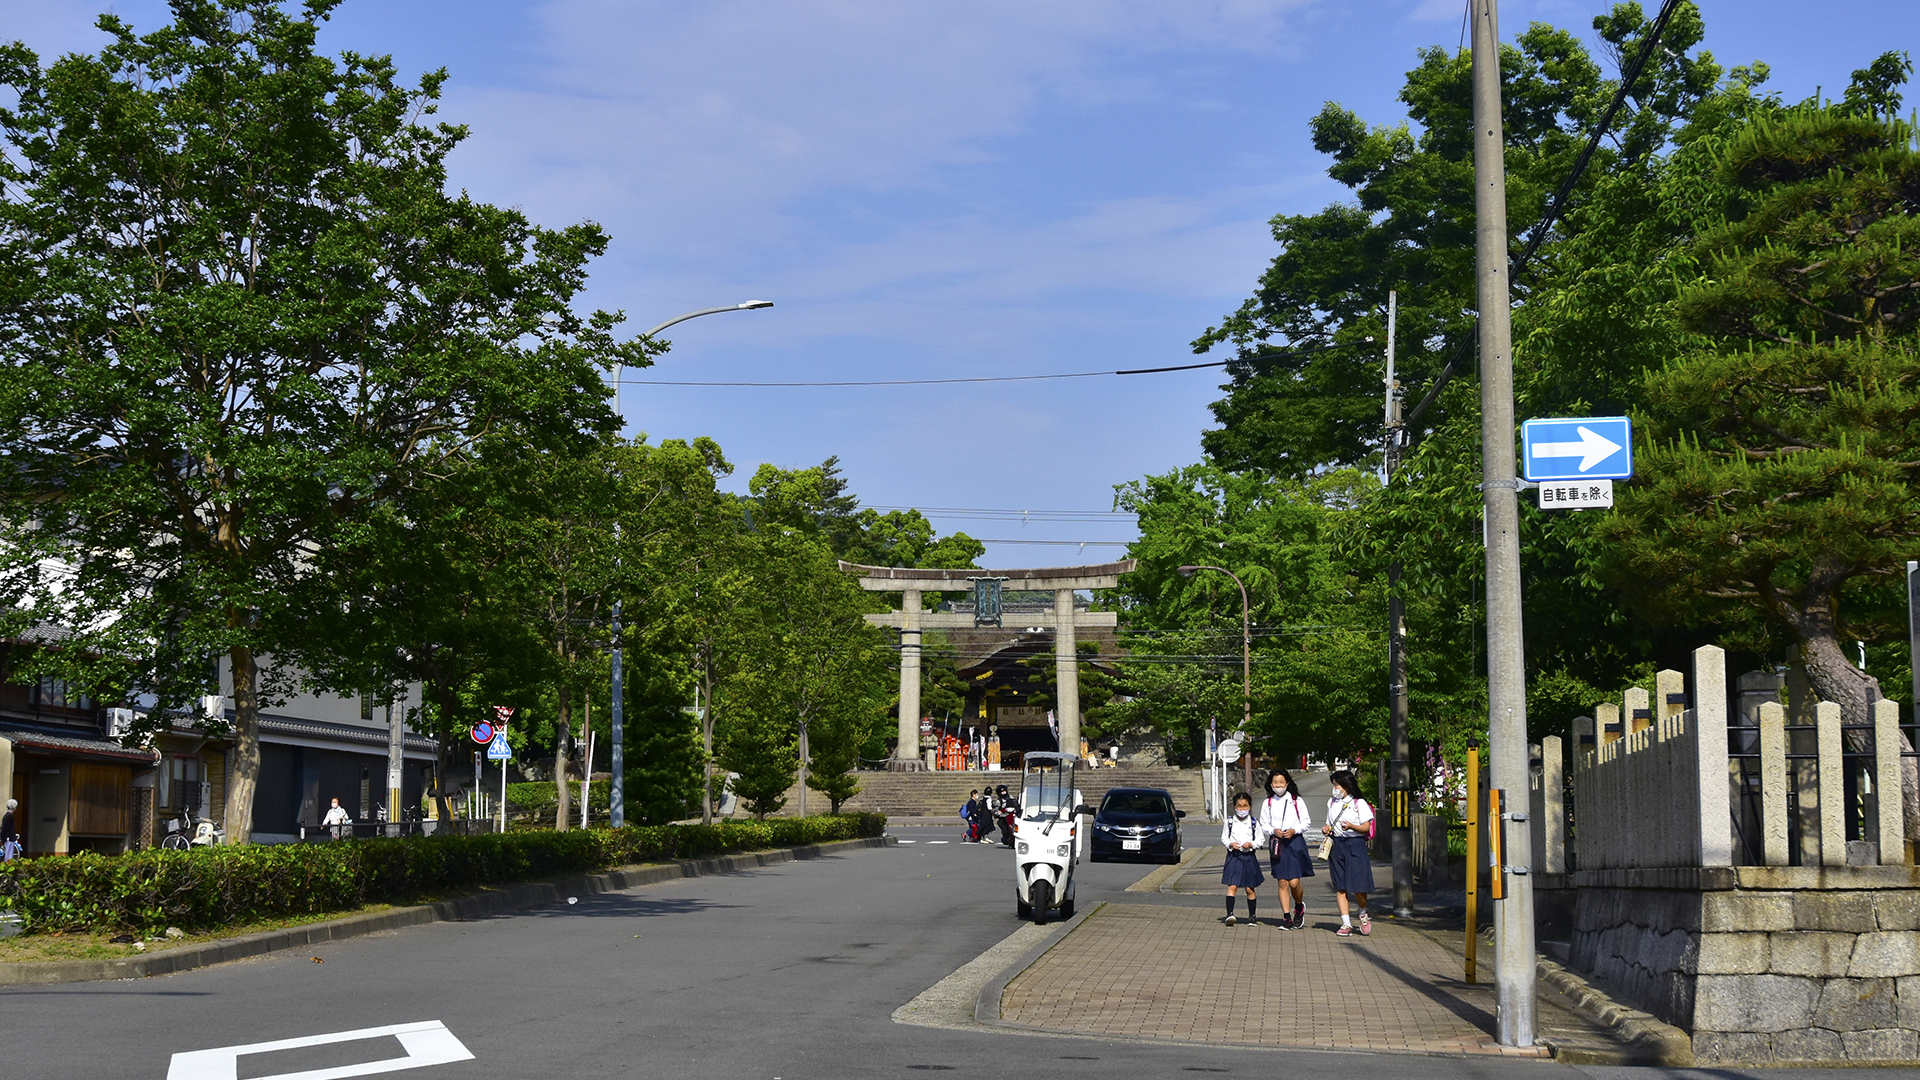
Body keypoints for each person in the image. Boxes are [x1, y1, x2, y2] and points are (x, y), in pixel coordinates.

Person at [1321, 769, 1376, 937]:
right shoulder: (1331, 803)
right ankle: (1346, 923)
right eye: (1334, 785)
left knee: (1359, 886)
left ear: (1346, 785)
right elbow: (1329, 822)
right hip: (1337, 844)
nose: (1335, 788)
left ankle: (1362, 913)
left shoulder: (1359, 803)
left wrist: (1352, 826)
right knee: (1341, 886)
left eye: (1338, 785)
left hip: (1355, 844)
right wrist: (1326, 829)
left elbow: (1366, 827)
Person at [1259, 769, 1313, 930]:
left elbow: (1306, 822)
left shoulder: (1296, 800)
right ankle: (1286, 917)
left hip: (1295, 842)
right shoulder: (1268, 802)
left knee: (1294, 882)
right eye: (1275, 782)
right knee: (1282, 881)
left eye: (1281, 782)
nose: (1278, 785)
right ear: (1270, 784)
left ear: (1287, 783)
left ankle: (1298, 906)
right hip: (1278, 844)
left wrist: (1294, 830)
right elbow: (1264, 824)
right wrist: (1273, 830)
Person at [1219, 791, 1268, 926]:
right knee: (1232, 885)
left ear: (1250, 806)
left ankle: (1252, 916)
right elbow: (1224, 838)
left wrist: (1251, 844)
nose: (1242, 809)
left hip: (1248, 856)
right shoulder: (1229, 822)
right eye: (1239, 806)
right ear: (1234, 807)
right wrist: (1230, 844)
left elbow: (1260, 838)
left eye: (1245, 806)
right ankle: (1230, 914)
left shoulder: (1253, 822)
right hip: (1234, 856)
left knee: (1249, 888)